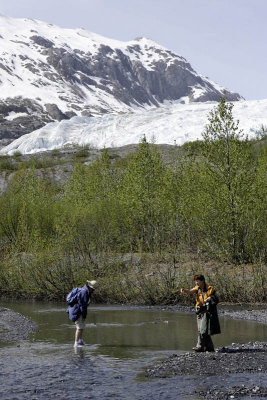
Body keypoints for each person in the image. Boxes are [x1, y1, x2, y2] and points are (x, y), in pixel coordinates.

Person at [180, 274, 220, 352]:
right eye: (195, 281)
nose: (196, 283)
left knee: (202, 330)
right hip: (199, 311)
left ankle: (200, 346)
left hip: (207, 312)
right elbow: (190, 291)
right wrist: (184, 290)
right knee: (202, 330)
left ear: (202, 281)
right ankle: (209, 347)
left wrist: (209, 298)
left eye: (197, 281)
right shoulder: (197, 288)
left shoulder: (210, 289)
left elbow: (215, 298)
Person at [67, 280, 97, 347]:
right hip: (77, 311)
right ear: (90, 287)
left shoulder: (85, 290)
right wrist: (84, 316)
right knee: (79, 327)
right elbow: (83, 306)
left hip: (76, 310)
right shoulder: (84, 292)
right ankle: (76, 343)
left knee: (81, 325)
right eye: (93, 289)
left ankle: (80, 340)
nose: (93, 290)